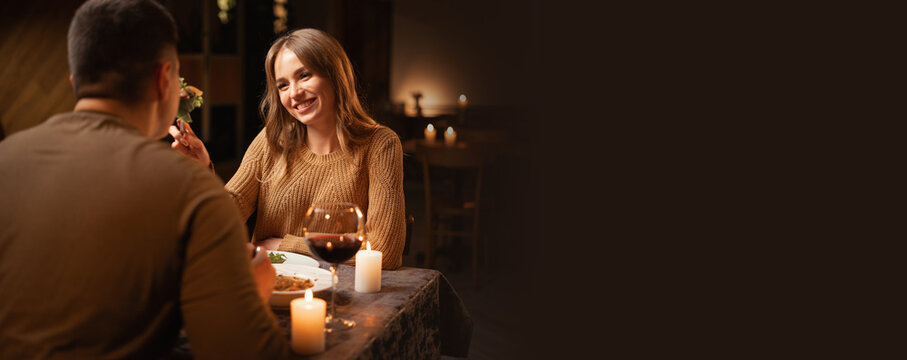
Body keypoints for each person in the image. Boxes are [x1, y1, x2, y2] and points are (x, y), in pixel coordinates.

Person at [0, 0, 289, 358]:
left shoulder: (7, 157)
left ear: (76, 80)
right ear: (163, 78)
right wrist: (253, 289)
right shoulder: (188, 187)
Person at [170, 28, 406, 270]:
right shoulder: (271, 140)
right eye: (283, 85)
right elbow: (222, 219)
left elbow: (383, 252)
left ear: (335, 75)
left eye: (304, 75)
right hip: (270, 285)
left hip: (341, 292)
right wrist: (201, 171)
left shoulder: (380, 145)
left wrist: (286, 245)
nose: (294, 93)